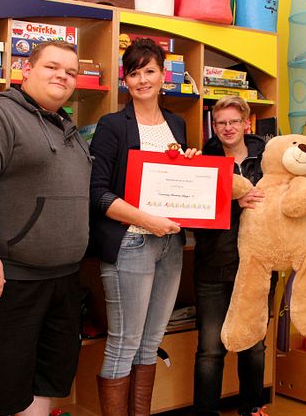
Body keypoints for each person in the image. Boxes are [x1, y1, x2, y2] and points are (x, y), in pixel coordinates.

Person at [0, 40, 91, 416]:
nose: (63, 75)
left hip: (61, 281)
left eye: (71, 71)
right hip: (5, 283)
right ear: (25, 70)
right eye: (52, 67)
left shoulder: (68, 129)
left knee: (43, 384)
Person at [89, 38, 199, 415]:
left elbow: (177, 184)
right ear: (125, 80)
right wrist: (146, 220)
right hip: (130, 244)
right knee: (123, 345)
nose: (142, 80)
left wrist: (190, 165)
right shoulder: (112, 126)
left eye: (149, 71)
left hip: (171, 246)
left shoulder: (177, 123)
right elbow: (96, 193)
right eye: (133, 73)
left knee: (150, 343)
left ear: (163, 74)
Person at [193, 96, 276, 416]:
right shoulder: (203, 161)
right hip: (212, 266)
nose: (227, 128)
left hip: (257, 267)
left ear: (247, 124)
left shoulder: (270, 159)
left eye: (233, 122)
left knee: (254, 346)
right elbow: (193, 216)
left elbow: (299, 202)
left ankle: (252, 408)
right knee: (210, 349)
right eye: (220, 123)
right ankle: (205, 411)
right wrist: (233, 201)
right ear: (213, 127)